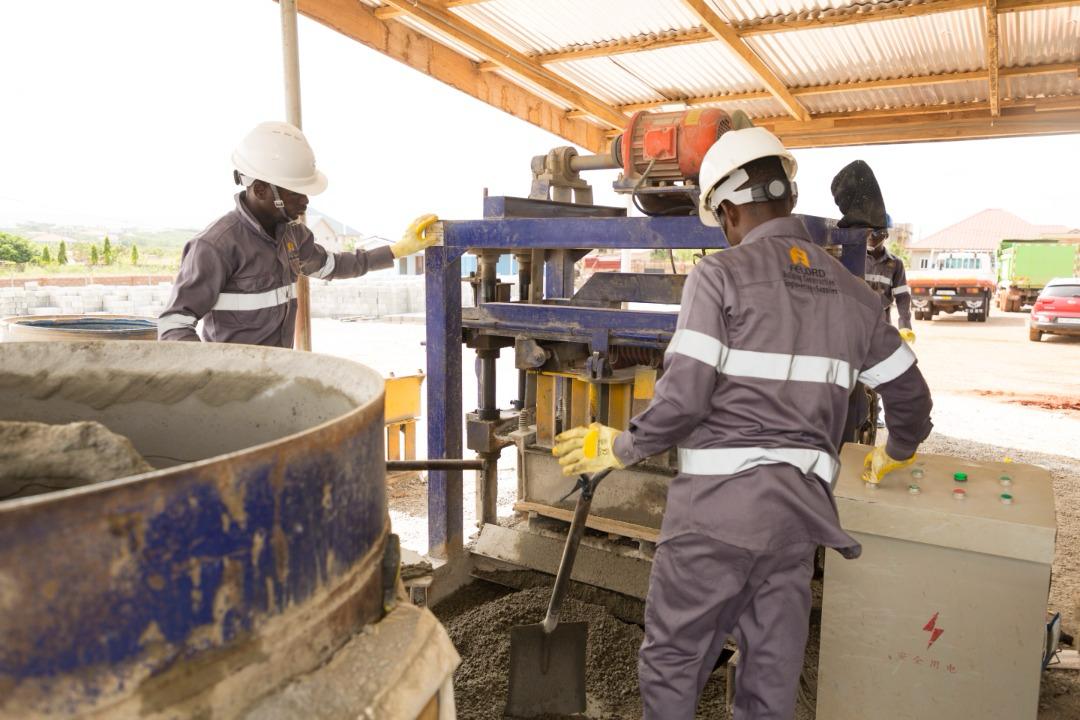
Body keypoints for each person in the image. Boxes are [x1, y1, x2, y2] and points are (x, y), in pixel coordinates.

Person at [552, 127, 933, 719]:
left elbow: (682, 401)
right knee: (770, 678)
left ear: (727, 210)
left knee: (675, 664)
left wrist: (618, 446)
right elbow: (911, 395)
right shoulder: (855, 294)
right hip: (797, 523)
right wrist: (900, 449)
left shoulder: (719, 276)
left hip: (714, 520)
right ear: (787, 197)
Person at [159, 121, 437, 346]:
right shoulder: (216, 246)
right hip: (231, 392)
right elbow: (174, 325)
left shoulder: (293, 236)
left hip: (278, 377)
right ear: (260, 190)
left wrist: (397, 250)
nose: (305, 203)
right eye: (296, 194)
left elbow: (334, 266)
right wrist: (211, 377)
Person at [831, 160, 914, 343]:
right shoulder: (848, 256)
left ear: (885, 235)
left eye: (876, 233)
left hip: (881, 323)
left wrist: (905, 327)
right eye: (867, 233)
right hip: (853, 322)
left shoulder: (895, 264)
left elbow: (902, 297)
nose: (871, 237)